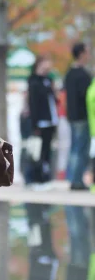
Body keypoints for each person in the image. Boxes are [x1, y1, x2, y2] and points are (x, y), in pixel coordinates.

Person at [27, 56, 58, 186]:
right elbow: (33, 104)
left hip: (51, 120)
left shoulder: (49, 80)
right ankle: (35, 178)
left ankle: (45, 177)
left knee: (46, 150)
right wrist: (35, 124)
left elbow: (54, 99)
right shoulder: (34, 81)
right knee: (38, 151)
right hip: (40, 121)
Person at [65, 42, 91, 190]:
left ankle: (74, 178)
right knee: (80, 149)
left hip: (72, 116)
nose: (88, 55)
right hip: (82, 116)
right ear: (81, 54)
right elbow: (85, 95)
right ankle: (76, 180)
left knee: (75, 147)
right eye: (87, 52)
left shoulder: (69, 74)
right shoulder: (83, 75)